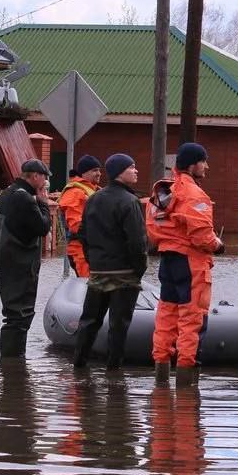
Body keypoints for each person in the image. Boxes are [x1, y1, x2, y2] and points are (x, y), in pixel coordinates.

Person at [146, 142, 224, 382]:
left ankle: (161, 377)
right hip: (191, 262)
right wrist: (218, 246)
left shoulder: (162, 193)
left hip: (168, 261)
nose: (207, 167)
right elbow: (201, 235)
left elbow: (152, 229)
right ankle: (186, 386)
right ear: (193, 164)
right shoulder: (193, 194)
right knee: (192, 320)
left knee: (166, 316)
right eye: (204, 161)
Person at [73, 154, 148, 369]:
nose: (136, 171)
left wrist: (93, 262)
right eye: (131, 167)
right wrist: (138, 270)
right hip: (124, 274)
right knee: (119, 325)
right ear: (119, 172)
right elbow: (137, 241)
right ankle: (113, 373)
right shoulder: (129, 201)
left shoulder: (94, 198)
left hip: (98, 271)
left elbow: (82, 234)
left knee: (89, 320)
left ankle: (79, 366)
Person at [0, 158, 54, 359]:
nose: (46, 182)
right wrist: (44, 204)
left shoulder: (9, 193)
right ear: (35, 176)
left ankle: (11, 370)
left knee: (13, 314)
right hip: (21, 264)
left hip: (8, 262)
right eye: (44, 177)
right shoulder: (25, 198)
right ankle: (13, 365)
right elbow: (43, 227)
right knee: (19, 316)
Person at [61, 155, 102, 278]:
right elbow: (75, 225)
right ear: (84, 173)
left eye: (99, 170)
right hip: (80, 250)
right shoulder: (75, 192)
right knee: (87, 286)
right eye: (94, 170)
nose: (99, 173)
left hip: (91, 248)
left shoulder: (93, 190)